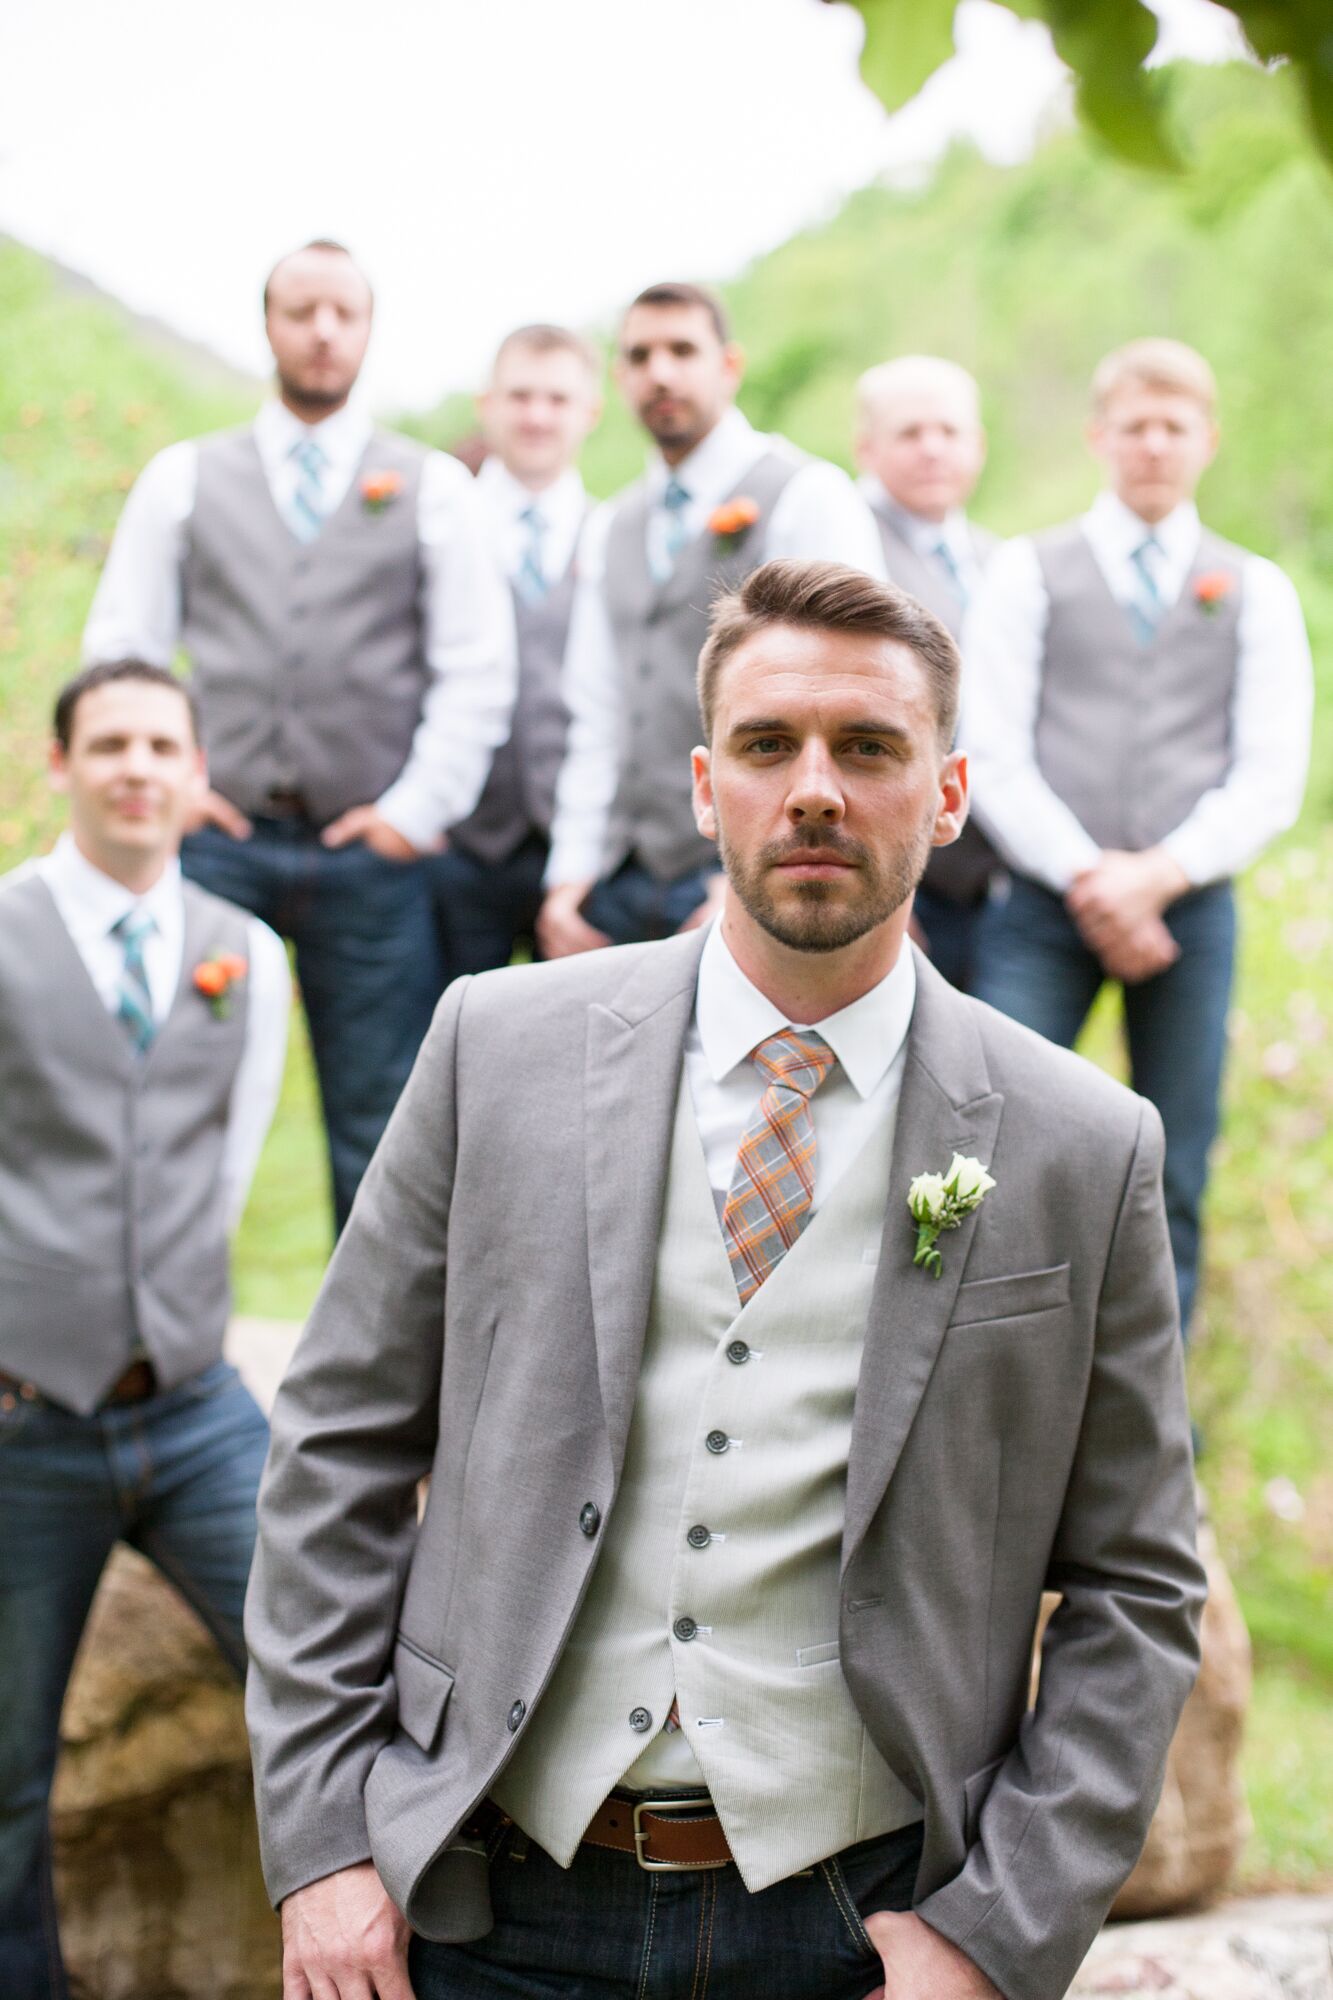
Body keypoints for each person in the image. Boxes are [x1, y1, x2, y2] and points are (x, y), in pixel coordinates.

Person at [246, 559, 1204, 2000]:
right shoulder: (494, 1047)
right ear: (707, 786)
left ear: (946, 798)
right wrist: (324, 1847)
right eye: (768, 746)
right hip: (494, 1902)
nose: (813, 788)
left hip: (855, 1924)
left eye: (869, 748)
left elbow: (1136, 1582)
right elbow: (336, 1451)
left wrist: (993, 1938)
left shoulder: (1082, 1141)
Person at [83, 238, 516, 1231]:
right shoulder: (184, 479)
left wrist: (415, 811)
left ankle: (369, 1376)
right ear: (268, 324)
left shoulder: (431, 486)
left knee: (380, 1125)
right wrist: (176, 792)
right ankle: (155, 1349)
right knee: (170, 1095)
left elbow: (476, 668)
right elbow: (122, 652)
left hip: (367, 855)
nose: (322, 332)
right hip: (213, 849)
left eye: (343, 314)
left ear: (366, 330)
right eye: (301, 311)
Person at [0, 660, 290, 2000]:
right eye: (107, 742)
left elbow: (227, 1171)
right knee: (5, 1780)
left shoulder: (251, 953)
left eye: (160, 744)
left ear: (194, 772)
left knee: (329, 1682)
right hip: (23, 1421)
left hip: (190, 1411)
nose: (135, 766)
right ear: (60, 766)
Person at [965, 337, 1312, 1339]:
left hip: (1189, 913)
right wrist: (1090, 877)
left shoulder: (1255, 589)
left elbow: (1269, 774)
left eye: (1174, 426)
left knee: (1178, 1166)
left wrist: (1156, 876)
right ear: (1098, 435)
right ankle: (989, 1389)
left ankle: (1154, 1430)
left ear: (1206, 440)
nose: (1153, 444)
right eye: (1134, 425)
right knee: (992, 1138)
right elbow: (989, 747)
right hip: (1040, 906)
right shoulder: (1030, 571)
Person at [537, 280, 885, 957]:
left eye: (681, 350)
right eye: (638, 356)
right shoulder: (610, 526)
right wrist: (569, 878)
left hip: (750, 878)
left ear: (728, 366)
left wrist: (744, 882)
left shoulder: (805, 495)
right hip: (623, 879)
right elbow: (598, 713)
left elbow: (850, 695)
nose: (659, 373)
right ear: (618, 377)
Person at [431, 324, 600, 979]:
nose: (536, 415)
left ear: (589, 413)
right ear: (487, 406)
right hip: (458, 845)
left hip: (579, 853)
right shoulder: (443, 526)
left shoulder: (614, 535)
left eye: (556, 399)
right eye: (519, 395)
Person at [856, 355, 999, 989]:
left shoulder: (1001, 558)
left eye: (950, 432)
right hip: (900, 879)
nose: (932, 450)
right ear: (867, 447)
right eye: (910, 433)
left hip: (997, 880)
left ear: (979, 446)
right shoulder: (848, 548)